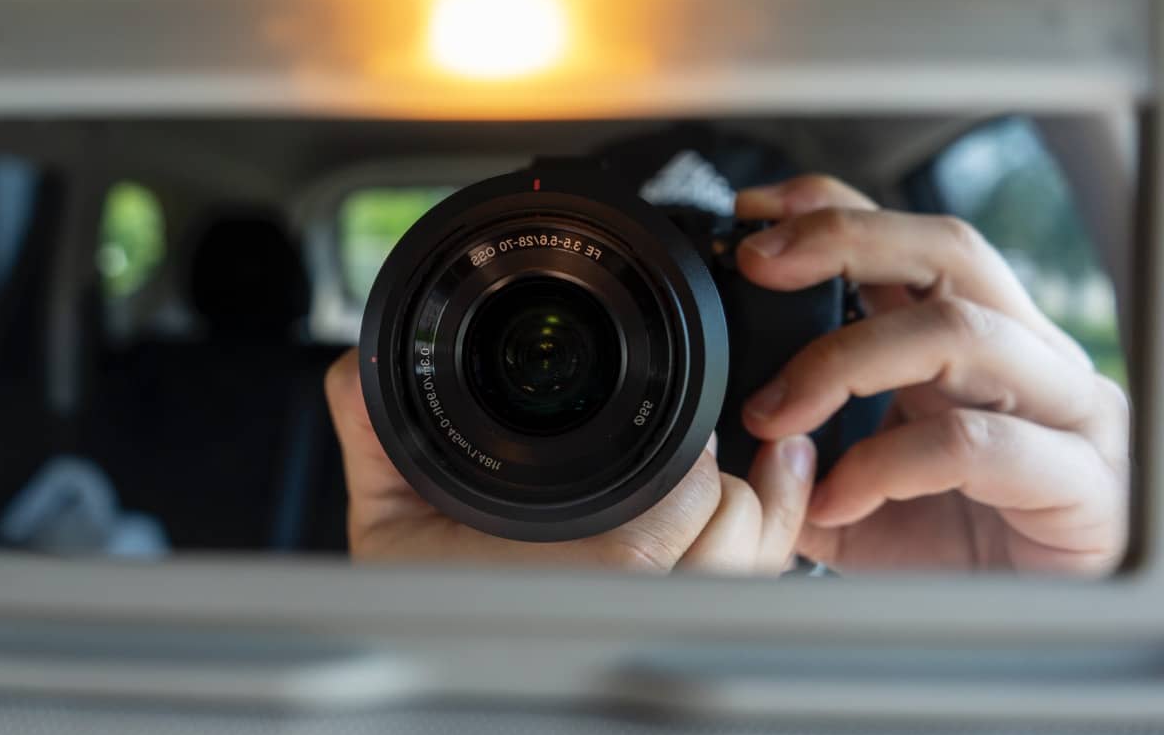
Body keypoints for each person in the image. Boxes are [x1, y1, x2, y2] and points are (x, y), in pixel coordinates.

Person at [325, 175, 1130, 576]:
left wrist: (1002, 597)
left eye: (704, 281)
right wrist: (446, 642)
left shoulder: (919, 523)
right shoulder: (416, 537)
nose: (550, 353)